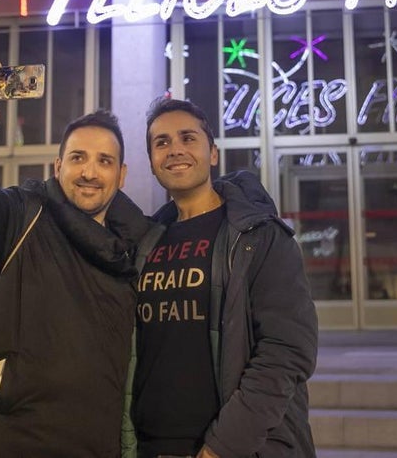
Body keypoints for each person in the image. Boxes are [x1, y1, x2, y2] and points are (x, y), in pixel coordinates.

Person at [0, 61, 150, 458]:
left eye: (104, 161)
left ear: (122, 176)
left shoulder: (140, 249)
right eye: (78, 158)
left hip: (94, 442)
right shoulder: (22, 215)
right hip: (3, 439)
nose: (89, 172)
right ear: (58, 166)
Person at [130, 98, 318, 458]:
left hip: (236, 448)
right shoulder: (143, 243)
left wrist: (223, 447)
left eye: (188, 138)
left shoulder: (259, 236)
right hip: (152, 446)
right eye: (162, 142)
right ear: (152, 161)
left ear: (213, 153)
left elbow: (287, 351)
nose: (175, 150)